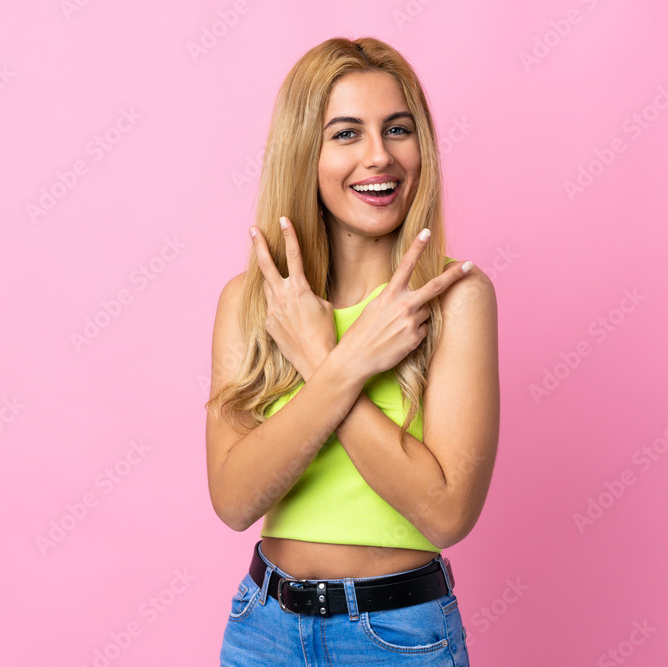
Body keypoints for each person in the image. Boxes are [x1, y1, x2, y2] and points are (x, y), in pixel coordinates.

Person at [205, 36, 500, 665]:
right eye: (346, 134)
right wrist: (343, 366)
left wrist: (322, 362)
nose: (379, 157)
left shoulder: (456, 297)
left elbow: (446, 514)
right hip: (263, 629)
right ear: (303, 153)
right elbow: (234, 501)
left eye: (398, 129)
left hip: (397, 637)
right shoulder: (254, 303)